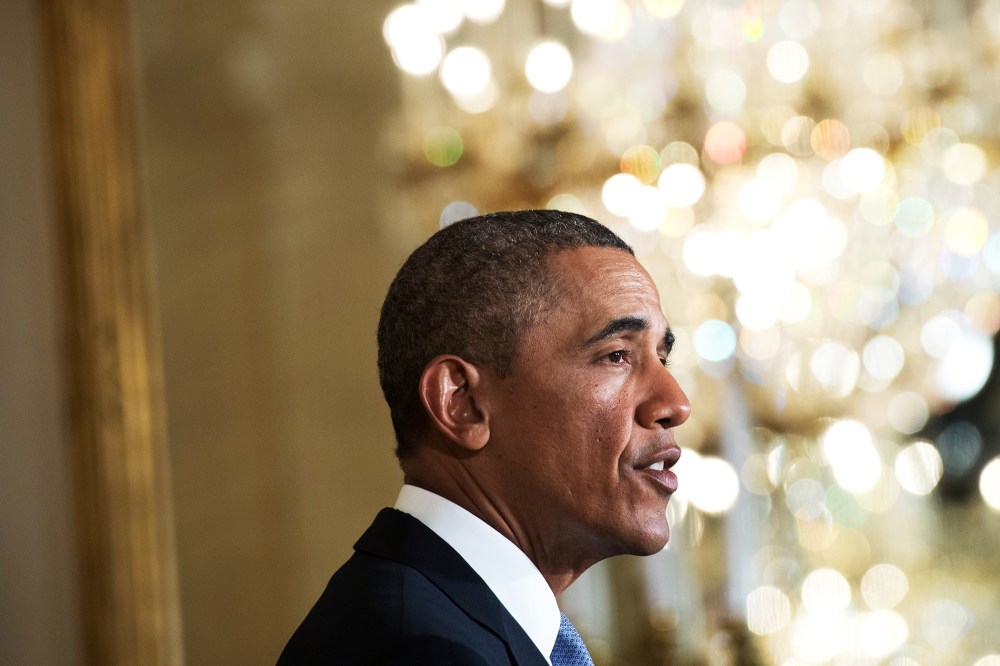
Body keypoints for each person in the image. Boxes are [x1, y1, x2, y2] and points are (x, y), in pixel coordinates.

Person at [277, 209, 691, 665]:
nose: (675, 403)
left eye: (662, 358)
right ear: (462, 404)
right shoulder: (422, 652)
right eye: (616, 355)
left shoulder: (451, 622)